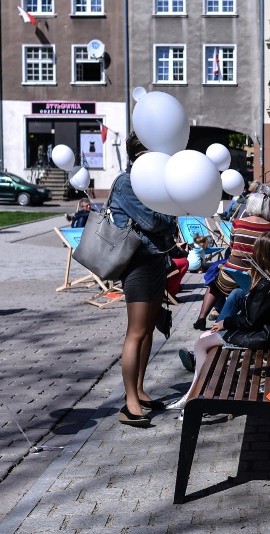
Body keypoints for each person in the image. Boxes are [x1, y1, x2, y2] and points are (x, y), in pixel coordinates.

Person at [171, 232, 270, 410]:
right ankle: (194, 393)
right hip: (268, 334)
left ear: (262, 255)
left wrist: (226, 322)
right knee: (206, 337)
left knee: (201, 344)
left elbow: (250, 321)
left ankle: (194, 396)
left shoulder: (266, 285)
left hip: (261, 338)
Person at [110, 132, 177, 427]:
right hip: (136, 262)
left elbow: (167, 219)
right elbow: (153, 221)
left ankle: (139, 388)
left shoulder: (150, 183)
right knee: (135, 332)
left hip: (156, 259)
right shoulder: (127, 183)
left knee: (148, 329)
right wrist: (169, 213)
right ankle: (129, 403)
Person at [194, 192, 270, 330]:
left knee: (215, 279)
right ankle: (218, 326)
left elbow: (232, 247)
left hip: (230, 276)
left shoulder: (237, 223)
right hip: (254, 277)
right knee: (236, 289)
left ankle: (201, 318)